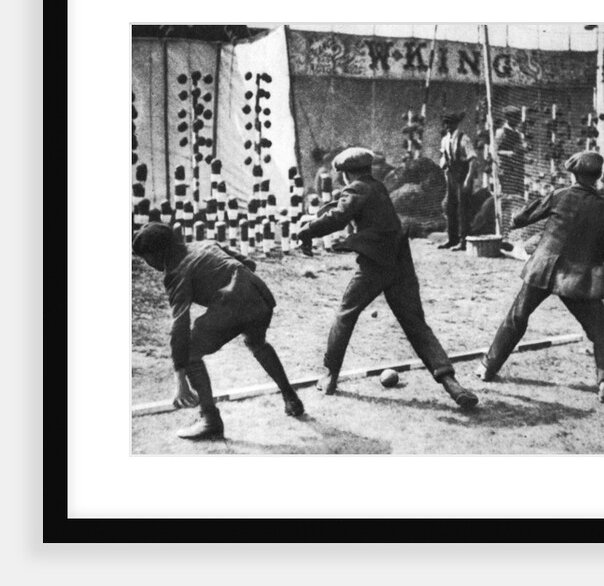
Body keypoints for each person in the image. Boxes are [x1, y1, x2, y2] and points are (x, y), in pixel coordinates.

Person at [295, 147, 479, 410]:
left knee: (345, 315)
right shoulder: (377, 187)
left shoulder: (356, 189)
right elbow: (341, 207)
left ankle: (329, 376)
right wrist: (318, 220)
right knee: (416, 324)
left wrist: (308, 230)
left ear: (347, 174)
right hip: (400, 263)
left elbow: (339, 216)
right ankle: (452, 384)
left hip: (376, 264)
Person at [475, 151, 604, 403]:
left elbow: (519, 218)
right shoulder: (602, 207)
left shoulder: (558, 196)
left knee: (517, 316)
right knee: (603, 328)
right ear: (597, 177)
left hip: (542, 268)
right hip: (574, 278)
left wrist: (523, 215)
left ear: (572, 173)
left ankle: (487, 367)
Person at [132, 223, 304, 440]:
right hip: (260, 297)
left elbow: (180, 325)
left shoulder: (175, 271)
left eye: (147, 258)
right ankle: (291, 398)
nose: (148, 264)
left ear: (159, 252)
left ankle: (210, 419)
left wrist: (180, 379)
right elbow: (249, 263)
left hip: (233, 304)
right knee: (256, 342)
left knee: (190, 354)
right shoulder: (205, 243)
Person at [437, 111, 476, 251]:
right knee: (450, 207)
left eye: (450, 123)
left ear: (456, 123)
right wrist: (443, 164)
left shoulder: (464, 139)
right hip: (451, 176)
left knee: (463, 209)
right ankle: (452, 239)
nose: (447, 125)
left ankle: (463, 241)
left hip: (463, 175)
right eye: (445, 122)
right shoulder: (445, 139)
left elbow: (472, 160)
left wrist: (468, 180)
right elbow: (443, 155)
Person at [494, 105, 527, 198]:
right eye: (515, 117)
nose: (518, 120)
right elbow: (494, 151)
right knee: (507, 196)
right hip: (506, 168)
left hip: (517, 169)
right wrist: (509, 153)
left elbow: (521, 148)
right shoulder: (501, 132)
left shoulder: (518, 134)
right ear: (508, 118)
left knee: (518, 196)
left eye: (518, 117)